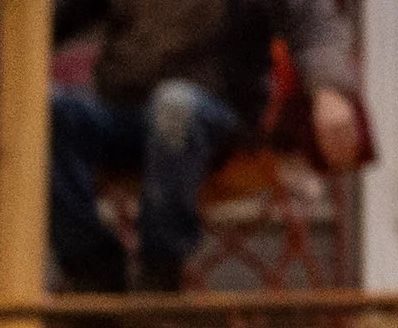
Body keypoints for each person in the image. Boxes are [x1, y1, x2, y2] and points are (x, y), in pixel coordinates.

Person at [49, 0, 364, 294]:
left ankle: (159, 279)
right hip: (122, 114)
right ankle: (90, 274)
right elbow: (50, 21)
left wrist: (329, 90)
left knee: (174, 104)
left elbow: (314, 23)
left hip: (219, 117)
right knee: (49, 111)